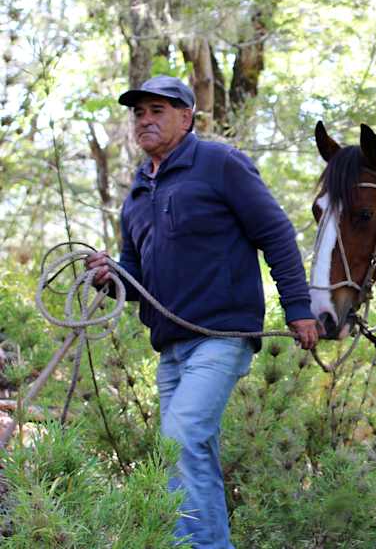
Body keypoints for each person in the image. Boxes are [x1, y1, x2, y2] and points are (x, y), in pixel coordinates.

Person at [88, 75, 319, 548]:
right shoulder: (136, 192)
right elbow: (134, 274)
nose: (145, 120)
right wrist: (110, 275)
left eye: (158, 110)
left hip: (221, 336)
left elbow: (275, 233)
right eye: (139, 113)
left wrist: (298, 306)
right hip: (169, 349)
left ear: (187, 117)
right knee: (187, 453)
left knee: (179, 440)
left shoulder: (220, 164)